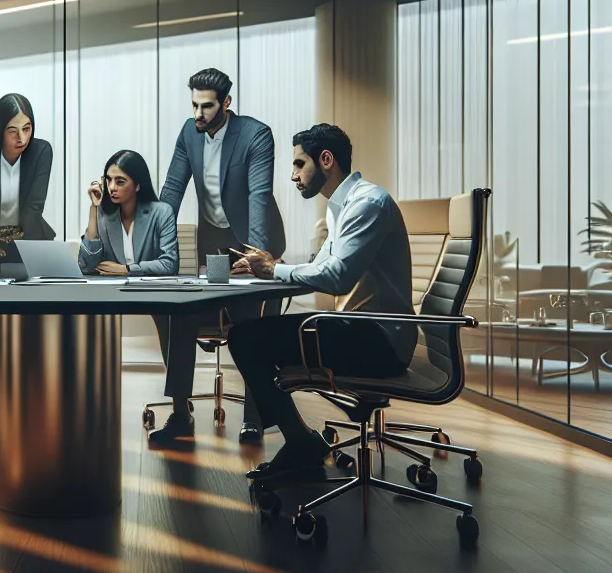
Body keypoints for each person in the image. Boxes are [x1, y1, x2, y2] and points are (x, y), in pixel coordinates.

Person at [226, 123, 415, 482]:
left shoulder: (367, 203)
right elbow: (320, 268)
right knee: (253, 335)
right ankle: (299, 441)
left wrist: (276, 270)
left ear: (325, 160)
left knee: (246, 339)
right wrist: (273, 267)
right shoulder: (341, 206)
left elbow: (337, 277)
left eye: (299, 164)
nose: (293, 175)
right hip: (365, 331)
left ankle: (300, 443)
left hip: (382, 343)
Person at [155, 67, 286, 444]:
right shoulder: (189, 133)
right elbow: (171, 191)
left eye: (207, 106)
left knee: (250, 325)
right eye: (194, 105)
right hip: (213, 244)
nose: (198, 114)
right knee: (180, 311)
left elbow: (258, 196)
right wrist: (154, 242)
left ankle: (254, 417)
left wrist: (257, 257)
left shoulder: (255, 135)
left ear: (226, 103)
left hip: (253, 240)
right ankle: (181, 414)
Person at [0, 93, 54, 273]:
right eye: (13, 131)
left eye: (27, 129)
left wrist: (33, 259)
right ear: (0, 130)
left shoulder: (42, 152)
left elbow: (34, 208)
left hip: (32, 240)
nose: (21, 138)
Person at [78, 150, 178, 277]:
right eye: (108, 180)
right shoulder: (104, 213)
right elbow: (86, 267)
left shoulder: (161, 212)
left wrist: (127, 269)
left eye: (120, 182)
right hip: (112, 292)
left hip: (150, 291)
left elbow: (169, 264)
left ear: (137, 185)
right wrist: (94, 208)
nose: (112, 187)